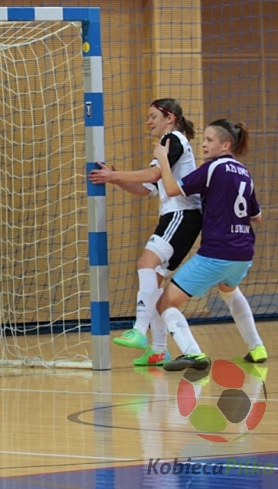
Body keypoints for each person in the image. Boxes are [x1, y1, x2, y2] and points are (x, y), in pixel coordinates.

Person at [89, 98, 202, 367]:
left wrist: (114, 177)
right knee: (153, 287)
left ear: (170, 118)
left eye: (153, 116)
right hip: (178, 217)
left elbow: (152, 175)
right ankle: (159, 350)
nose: (148, 121)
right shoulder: (166, 147)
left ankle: (139, 330)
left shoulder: (172, 139)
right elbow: (145, 189)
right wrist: (117, 179)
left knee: (145, 264)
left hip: (182, 215)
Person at [152, 119, 267, 371]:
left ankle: (193, 354)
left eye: (209, 140)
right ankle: (257, 347)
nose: (203, 144)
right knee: (228, 290)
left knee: (165, 304)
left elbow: (171, 189)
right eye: (203, 139)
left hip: (217, 253)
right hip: (243, 253)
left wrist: (162, 158)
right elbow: (256, 216)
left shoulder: (213, 168)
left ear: (226, 145)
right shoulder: (244, 171)